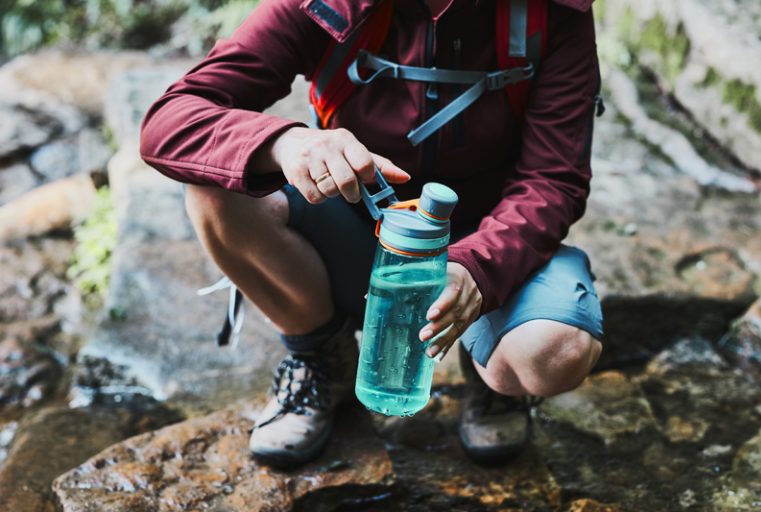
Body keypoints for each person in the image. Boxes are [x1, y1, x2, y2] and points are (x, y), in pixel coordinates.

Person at [140, 0, 604, 468]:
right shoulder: (325, 5)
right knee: (214, 191)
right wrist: (285, 143)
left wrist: (477, 271)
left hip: (492, 240)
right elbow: (168, 120)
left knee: (555, 351)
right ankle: (322, 357)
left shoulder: (553, 12)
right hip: (361, 228)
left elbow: (553, 180)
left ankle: (489, 372)